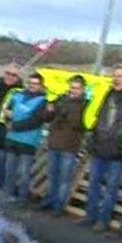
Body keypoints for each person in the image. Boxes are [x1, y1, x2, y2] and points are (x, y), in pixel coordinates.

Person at [79, 65, 122, 234]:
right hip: (98, 147)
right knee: (93, 185)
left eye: (120, 76)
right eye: (116, 75)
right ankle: (90, 216)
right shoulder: (105, 94)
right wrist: (91, 135)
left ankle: (102, 221)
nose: (117, 78)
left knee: (111, 189)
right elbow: (93, 115)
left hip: (117, 152)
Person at [40, 75, 88, 216]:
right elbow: (47, 118)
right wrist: (49, 110)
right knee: (52, 175)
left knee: (64, 179)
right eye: (72, 87)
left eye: (77, 88)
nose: (73, 91)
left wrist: (64, 111)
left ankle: (58, 205)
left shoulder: (85, 104)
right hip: (54, 142)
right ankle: (48, 200)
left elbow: (79, 124)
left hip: (70, 146)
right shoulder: (61, 99)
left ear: (83, 89)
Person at [3, 73, 47, 202]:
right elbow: (7, 111)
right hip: (12, 139)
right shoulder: (17, 95)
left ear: (40, 86)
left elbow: (35, 121)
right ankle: (7, 195)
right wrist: (7, 119)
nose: (32, 86)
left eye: (36, 84)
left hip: (28, 141)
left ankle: (21, 199)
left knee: (24, 173)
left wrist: (14, 125)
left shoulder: (43, 101)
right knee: (9, 170)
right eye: (30, 83)